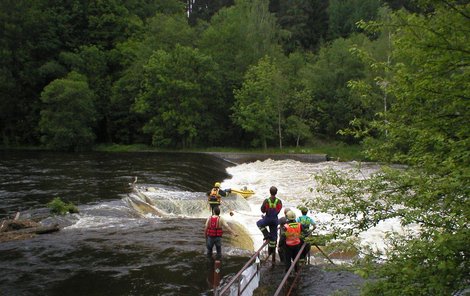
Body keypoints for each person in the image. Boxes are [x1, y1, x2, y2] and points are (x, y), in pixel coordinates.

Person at [256, 186, 283, 257]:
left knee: (259, 223)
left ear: (269, 192)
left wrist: (266, 214)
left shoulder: (266, 201)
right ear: (276, 193)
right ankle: (271, 252)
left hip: (267, 219)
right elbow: (278, 210)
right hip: (275, 220)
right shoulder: (279, 201)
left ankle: (266, 234)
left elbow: (262, 210)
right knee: (273, 237)